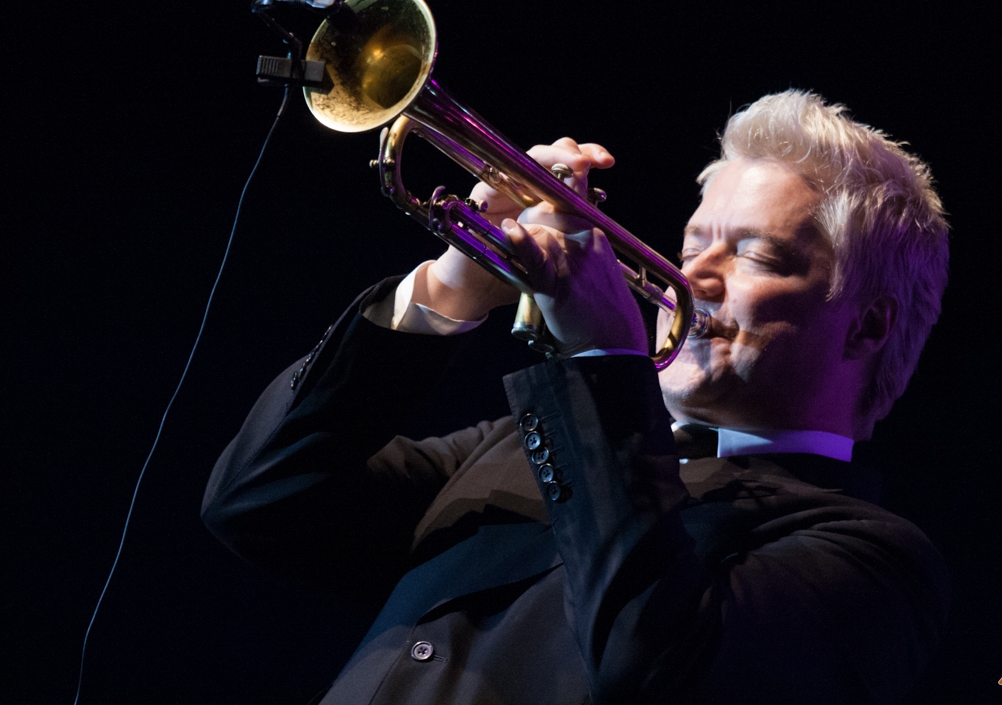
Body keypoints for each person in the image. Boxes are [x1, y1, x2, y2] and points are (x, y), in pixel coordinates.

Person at [203, 89, 952, 704]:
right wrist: (449, 288)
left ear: (867, 326)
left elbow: (658, 670)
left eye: (754, 254)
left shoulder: (873, 559)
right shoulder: (516, 448)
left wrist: (602, 359)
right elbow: (259, 501)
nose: (686, 279)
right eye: (692, 248)